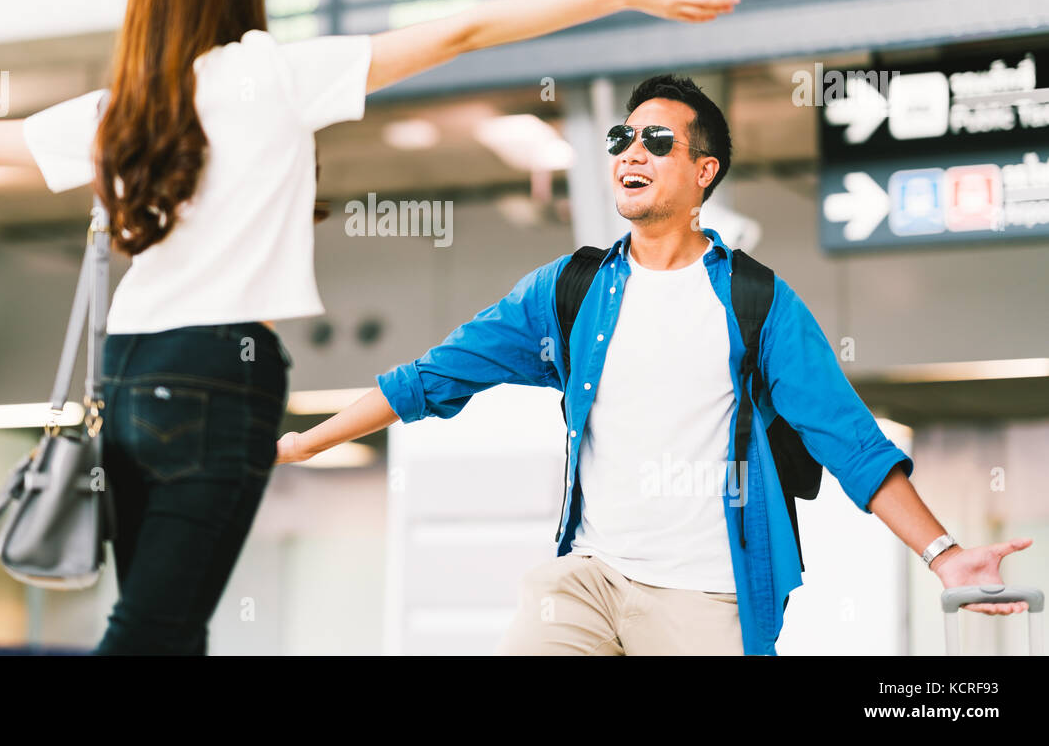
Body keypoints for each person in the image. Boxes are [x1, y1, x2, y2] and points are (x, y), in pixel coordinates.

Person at [0, 0, 739, 654]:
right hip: (223, 379)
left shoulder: (120, 108)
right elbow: (465, 30)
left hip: (131, 375)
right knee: (152, 634)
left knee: (169, 630)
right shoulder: (273, 73)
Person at [275, 73, 1034, 655]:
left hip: (707, 599)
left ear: (704, 172)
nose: (632, 154)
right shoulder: (565, 293)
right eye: (623, 140)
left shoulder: (755, 300)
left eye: (658, 142)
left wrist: (943, 554)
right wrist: (302, 442)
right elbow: (434, 376)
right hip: (590, 577)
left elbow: (850, 438)